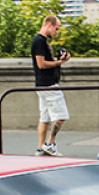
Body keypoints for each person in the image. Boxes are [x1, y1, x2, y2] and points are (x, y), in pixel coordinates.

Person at [31, 14, 71, 156]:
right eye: (56, 28)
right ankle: (50, 143)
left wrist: (59, 60)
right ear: (49, 25)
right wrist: (59, 62)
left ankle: (41, 147)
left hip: (42, 85)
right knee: (61, 114)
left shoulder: (41, 41)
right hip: (48, 85)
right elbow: (41, 64)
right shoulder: (39, 42)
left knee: (45, 117)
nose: (57, 32)